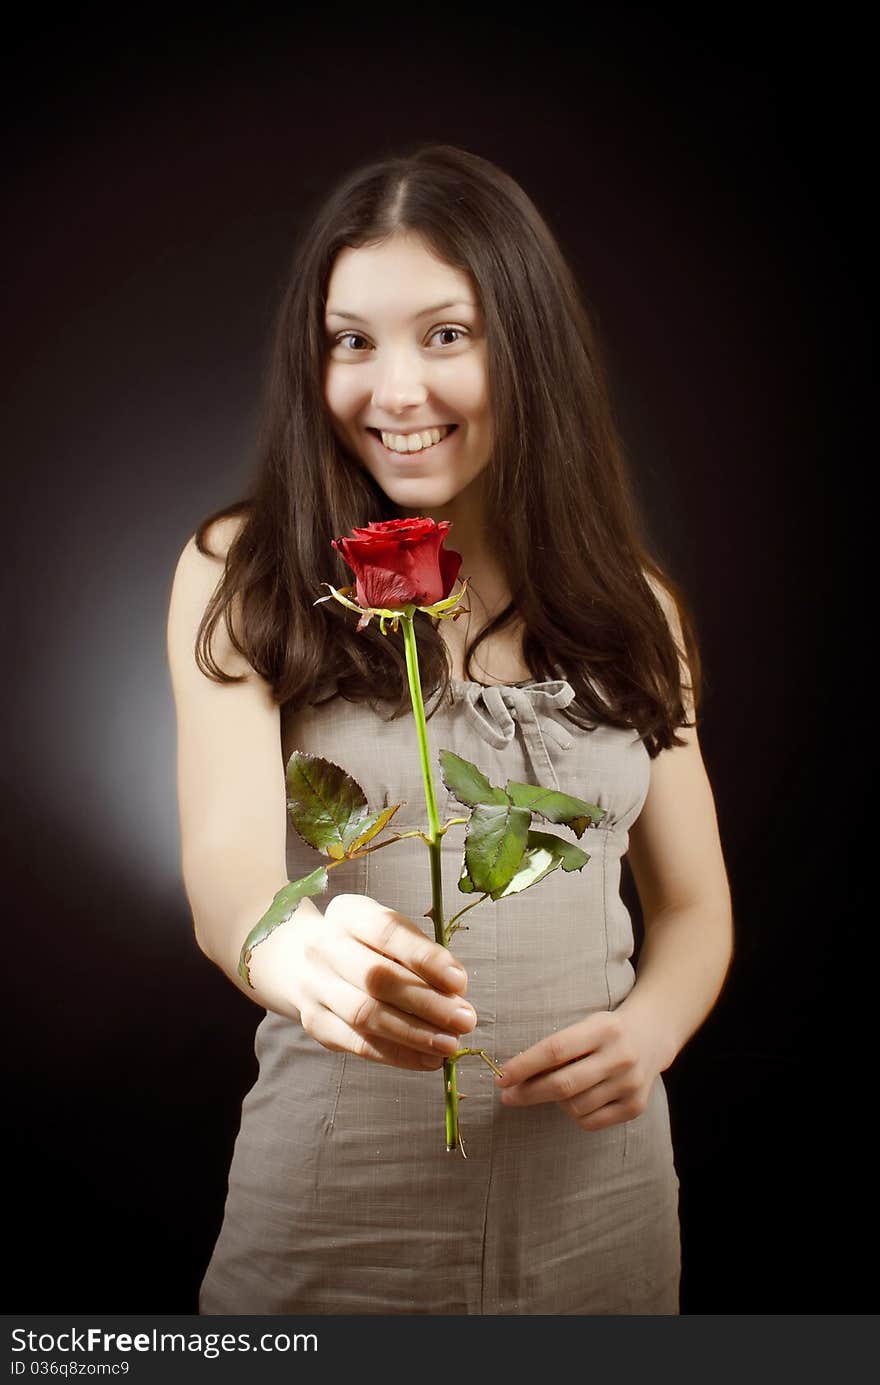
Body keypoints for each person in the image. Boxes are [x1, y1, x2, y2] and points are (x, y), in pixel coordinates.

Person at [166, 143, 734, 1315]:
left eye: (446, 334)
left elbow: (693, 905)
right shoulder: (245, 571)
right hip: (336, 1219)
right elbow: (225, 875)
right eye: (350, 340)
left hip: (603, 1215)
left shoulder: (638, 606)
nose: (395, 391)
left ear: (524, 344)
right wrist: (295, 954)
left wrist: (654, 1027)